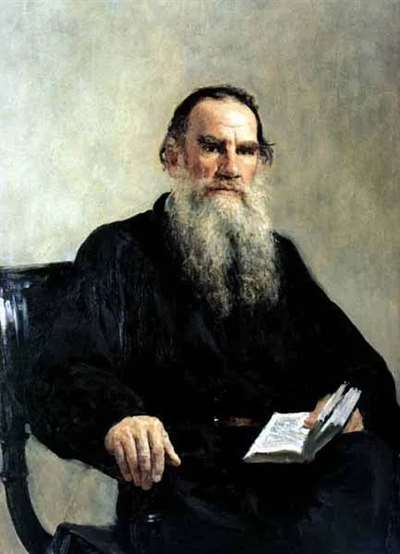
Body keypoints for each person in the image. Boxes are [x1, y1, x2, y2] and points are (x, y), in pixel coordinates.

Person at [29, 85, 400, 553]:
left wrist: (348, 407)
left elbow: (359, 365)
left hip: (286, 476)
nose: (230, 167)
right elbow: (61, 369)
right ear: (173, 157)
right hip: (186, 481)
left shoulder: (278, 256)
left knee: (371, 466)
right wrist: (119, 418)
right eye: (211, 147)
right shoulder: (119, 250)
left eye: (245, 151)